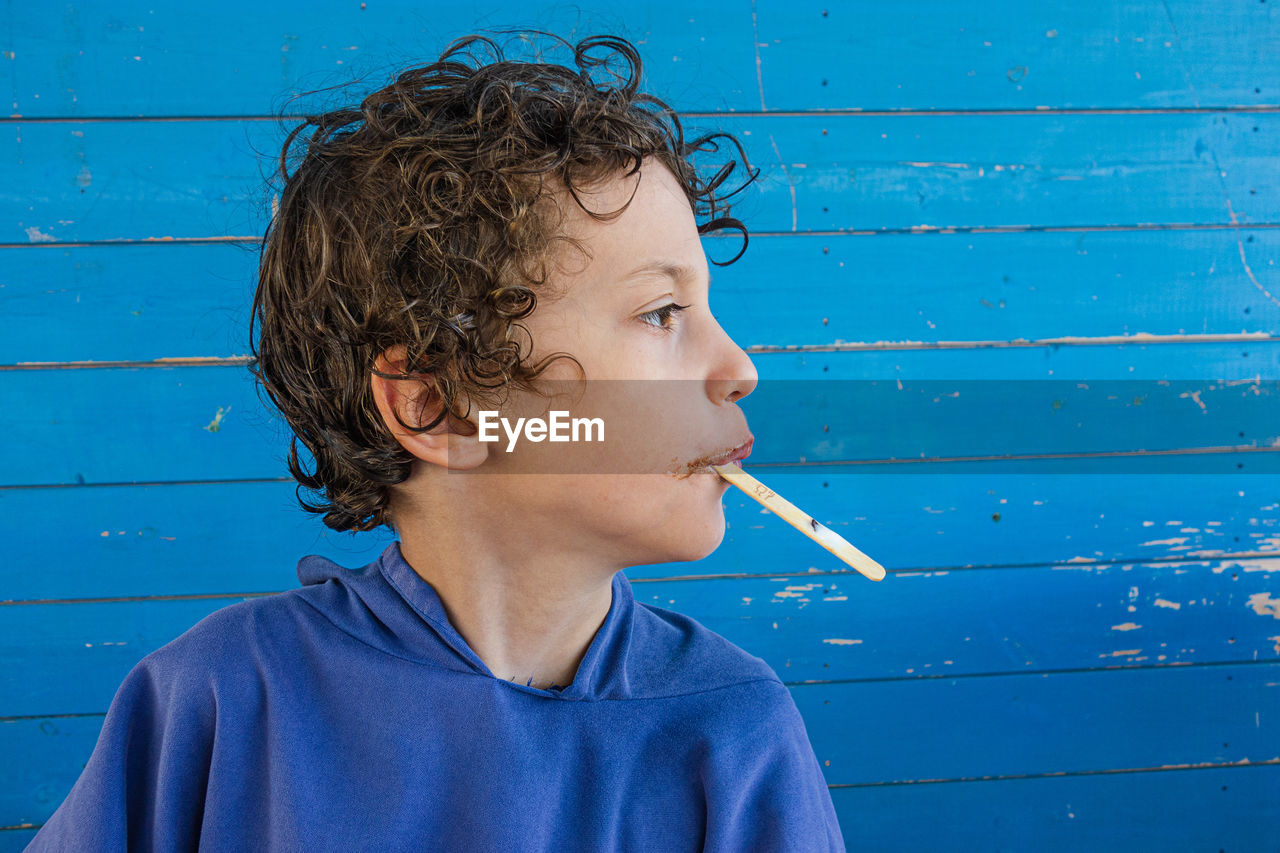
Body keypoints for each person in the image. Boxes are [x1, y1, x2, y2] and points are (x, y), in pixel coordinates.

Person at [27, 29, 846, 852]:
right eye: (661, 313)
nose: (739, 366)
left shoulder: (735, 729)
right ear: (437, 408)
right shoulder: (217, 699)